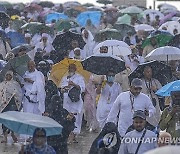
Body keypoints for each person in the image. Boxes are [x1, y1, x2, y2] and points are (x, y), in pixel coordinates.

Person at [60, 63, 85, 143]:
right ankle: (68, 134)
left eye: (73, 68)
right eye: (70, 68)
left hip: (75, 101)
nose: (71, 69)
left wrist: (73, 84)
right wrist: (64, 88)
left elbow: (82, 88)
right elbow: (61, 88)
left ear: (75, 69)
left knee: (76, 117)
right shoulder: (64, 78)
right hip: (67, 100)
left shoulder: (79, 77)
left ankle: (74, 135)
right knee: (67, 116)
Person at [0, 71, 23, 143]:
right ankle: (5, 136)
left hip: (13, 104)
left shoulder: (15, 84)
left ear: (12, 76)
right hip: (4, 105)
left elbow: (19, 93)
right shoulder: (2, 84)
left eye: (9, 75)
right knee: (4, 120)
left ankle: (13, 134)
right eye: (7, 75)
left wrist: (13, 94)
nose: (8, 77)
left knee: (12, 120)